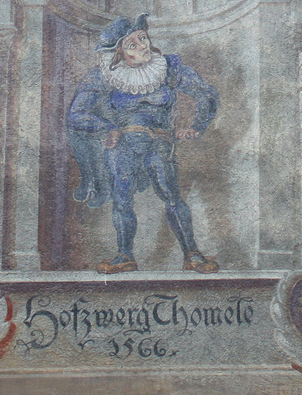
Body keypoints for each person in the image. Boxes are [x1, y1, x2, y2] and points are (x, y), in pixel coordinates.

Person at [66, 14, 220, 274]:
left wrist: (196, 127)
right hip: (122, 146)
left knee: (172, 198)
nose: (143, 46)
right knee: (122, 201)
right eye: (132, 44)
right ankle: (125, 256)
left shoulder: (168, 67)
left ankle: (192, 255)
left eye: (143, 38)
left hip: (159, 144)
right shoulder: (105, 76)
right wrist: (107, 127)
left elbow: (207, 94)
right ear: (119, 53)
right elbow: (76, 115)